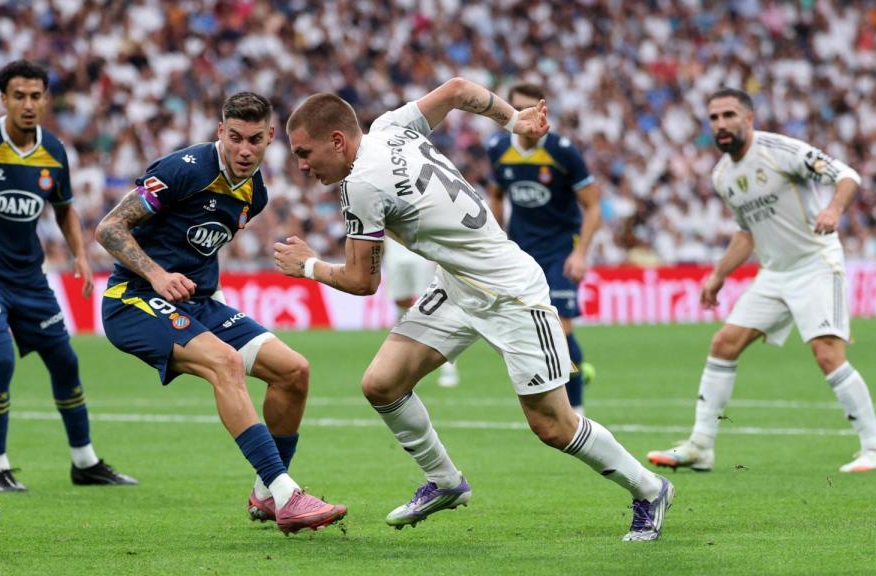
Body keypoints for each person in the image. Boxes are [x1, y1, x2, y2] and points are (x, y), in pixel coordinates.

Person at [275, 78, 674, 541]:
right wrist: (513, 119)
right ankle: (445, 481)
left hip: (510, 293)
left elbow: (363, 281)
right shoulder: (390, 127)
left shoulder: (361, 184)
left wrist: (308, 266)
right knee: (382, 384)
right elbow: (459, 90)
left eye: (304, 153)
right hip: (458, 284)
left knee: (553, 425)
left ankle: (649, 489)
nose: (301, 166)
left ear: (338, 141)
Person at [94, 92, 347, 534]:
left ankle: (266, 494)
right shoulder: (183, 170)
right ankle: (287, 494)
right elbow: (109, 227)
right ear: (220, 133)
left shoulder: (257, 192)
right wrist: (156, 274)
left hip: (198, 303)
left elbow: (197, 242)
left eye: (254, 140)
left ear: (270, 137)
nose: (244, 150)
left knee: (294, 372)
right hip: (132, 298)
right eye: (234, 138)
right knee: (226, 364)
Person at [0, 60, 136, 492]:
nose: (28, 104)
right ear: (4, 99)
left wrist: (80, 256)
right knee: (0, 358)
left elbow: (65, 207)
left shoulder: (54, 150)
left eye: (36, 96)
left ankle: (85, 462)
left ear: (46, 99)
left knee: (66, 361)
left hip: (31, 279)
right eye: (19, 96)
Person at [646, 88, 876, 473]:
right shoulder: (723, 175)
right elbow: (747, 234)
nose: (721, 124)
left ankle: (875, 448)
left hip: (815, 263)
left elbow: (847, 175)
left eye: (728, 115)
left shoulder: (779, 151)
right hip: (775, 272)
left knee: (827, 354)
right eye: (714, 118)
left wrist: (833, 208)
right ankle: (701, 446)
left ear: (749, 118)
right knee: (724, 343)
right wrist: (717, 276)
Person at [487, 82, 602, 414]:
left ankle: (576, 413)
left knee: (560, 330)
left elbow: (593, 207)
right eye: (519, 108)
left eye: (534, 108)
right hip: (521, 253)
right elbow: (495, 195)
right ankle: (577, 368)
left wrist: (580, 254)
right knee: (537, 334)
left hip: (561, 250)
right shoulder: (497, 148)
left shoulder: (563, 151)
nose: (529, 116)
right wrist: (497, 240)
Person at [382, 238, 459, 387]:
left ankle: (448, 368)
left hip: (421, 251)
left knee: (433, 308)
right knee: (401, 304)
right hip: (394, 252)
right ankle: (402, 368)